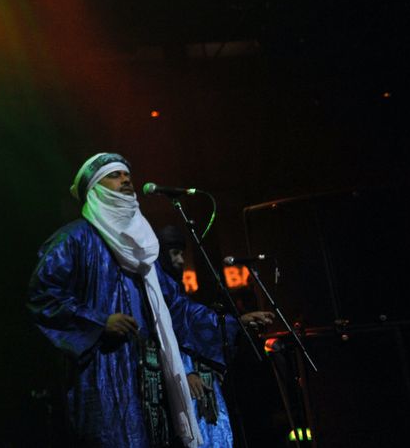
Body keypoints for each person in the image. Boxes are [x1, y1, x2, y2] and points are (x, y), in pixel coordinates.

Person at [27, 153, 272, 448]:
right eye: (115, 175)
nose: (127, 179)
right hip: (104, 377)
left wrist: (231, 324)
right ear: (95, 188)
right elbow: (43, 296)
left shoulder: (144, 252)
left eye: (127, 174)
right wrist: (99, 322)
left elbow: (177, 309)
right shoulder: (74, 239)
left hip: (154, 386)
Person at [157, 225, 233, 448]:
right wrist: (185, 371)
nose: (181, 261)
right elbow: (165, 336)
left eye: (182, 254)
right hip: (178, 382)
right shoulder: (158, 292)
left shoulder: (175, 290)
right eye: (175, 254)